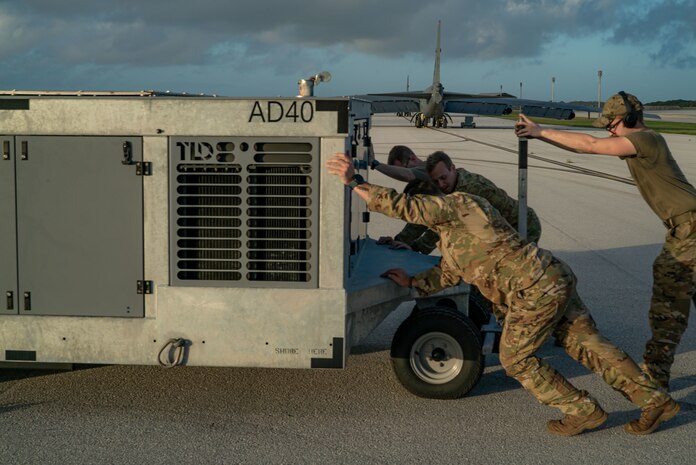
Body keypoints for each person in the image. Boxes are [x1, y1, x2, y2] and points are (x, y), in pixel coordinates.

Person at [326, 152, 679, 436]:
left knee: (516, 359)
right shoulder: (454, 232)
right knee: (585, 343)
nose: (424, 223)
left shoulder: (461, 203)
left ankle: (582, 411)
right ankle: (654, 401)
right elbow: (449, 272)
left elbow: (408, 208)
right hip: (549, 278)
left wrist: (355, 181)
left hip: (534, 288)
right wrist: (411, 283)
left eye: (425, 215)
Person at [515, 91, 696, 391]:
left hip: (689, 228)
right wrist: (537, 135)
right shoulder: (639, 143)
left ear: (629, 118)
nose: (608, 130)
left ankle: (655, 377)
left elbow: (590, 146)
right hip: (685, 226)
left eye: (611, 124)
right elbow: (589, 145)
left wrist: (540, 130)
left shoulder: (647, 140)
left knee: (668, 303)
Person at [378, 150, 542, 253]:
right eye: (436, 181)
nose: (441, 184)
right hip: (498, 227)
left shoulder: (469, 190)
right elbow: (429, 213)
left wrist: (415, 248)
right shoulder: (448, 186)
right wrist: (399, 241)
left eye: (443, 178)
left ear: (453, 168)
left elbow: (441, 225)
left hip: (522, 225)